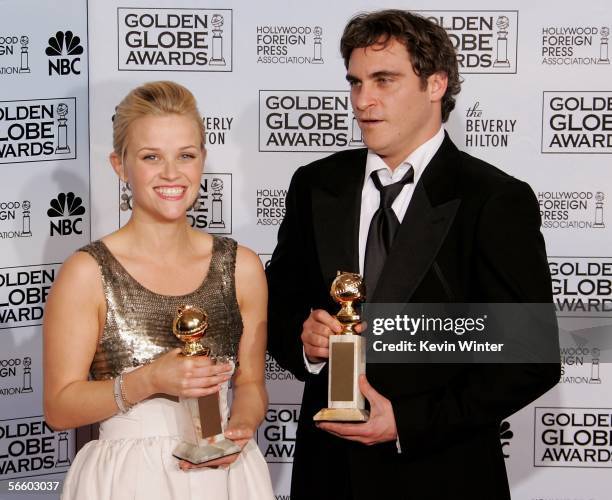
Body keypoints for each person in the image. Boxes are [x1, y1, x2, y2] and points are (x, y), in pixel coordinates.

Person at [266, 10, 560, 500]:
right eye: (355, 82)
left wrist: (407, 422)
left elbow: (532, 360)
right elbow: (277, 307)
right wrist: (303, 340)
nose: (364, 100)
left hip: (442, 473)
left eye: (384, 80)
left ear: (436, 84)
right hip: (328, 474)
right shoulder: (316, 185)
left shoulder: (492, 198)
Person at [44, 81, 273, 499]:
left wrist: (238, 431)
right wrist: (150, 379)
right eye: (152, 157)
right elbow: (60, 408)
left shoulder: (241, 266)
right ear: (120, 165)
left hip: (226, 476)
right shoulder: (88, 272)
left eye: (186, 155)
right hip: (128, 478)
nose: (172, 173)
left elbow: (252, 384)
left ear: (202, 159)